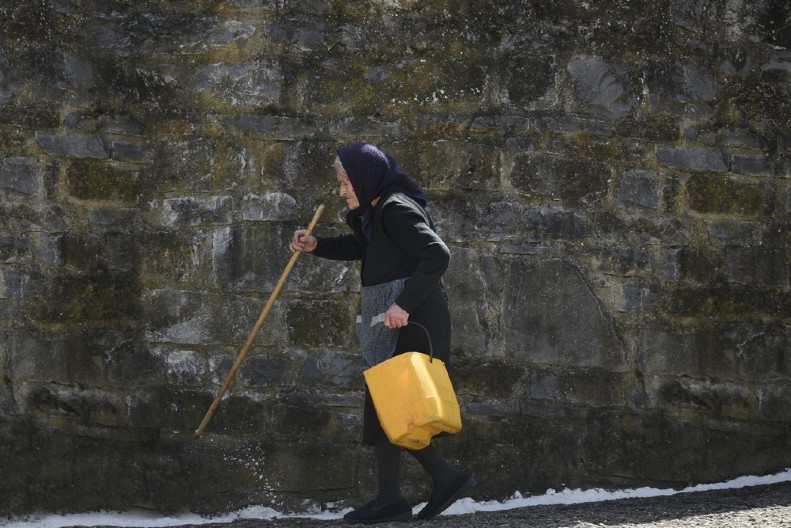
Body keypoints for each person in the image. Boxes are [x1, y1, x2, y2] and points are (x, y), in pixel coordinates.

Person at [289, 143, 475, 524]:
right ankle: (392, 496)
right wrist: (317, 245)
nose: (342, 191)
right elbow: (365, 247)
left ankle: (445, 478)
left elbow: (437, 254)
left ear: (364, 177)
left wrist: (403, 304)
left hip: (412, 318)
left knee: (396, 403)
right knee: (383, 400)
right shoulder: (376, 211)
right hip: (396, 317)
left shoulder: (395, 208)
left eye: (345, 182)